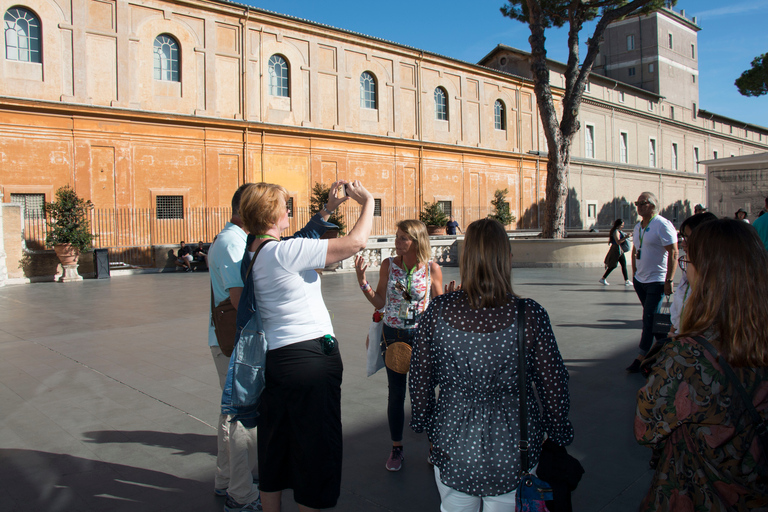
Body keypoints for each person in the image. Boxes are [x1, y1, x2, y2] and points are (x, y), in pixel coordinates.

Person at [410, 218, 574, 511]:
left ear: (466, 259)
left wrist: (425, 424)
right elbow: (553, 384)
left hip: (453, 440)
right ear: (507, 259)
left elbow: (421, 379)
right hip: (514, 445)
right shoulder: (530, 315)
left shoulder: (438, 311)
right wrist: (558, 431)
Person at [238, 180, 374, 512]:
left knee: (277, 450)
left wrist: (327, 209)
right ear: (271, 213)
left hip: (279, 362)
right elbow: (356, 242)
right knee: (315, 455)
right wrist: (367, 202)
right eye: (285, 205)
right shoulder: (285, 253)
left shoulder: (255, 252)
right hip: (310, 362)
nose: (288, 210)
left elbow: (300, 239)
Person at [635, 218, 768, 511]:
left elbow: (646, 427)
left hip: (697, 492)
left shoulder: (688, 355)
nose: (687, 269)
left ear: (709, 273)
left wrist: (672, 350)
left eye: (688, 262)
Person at [354, 219, 443, 471]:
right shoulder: (389, 265)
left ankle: (434, 446)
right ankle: (396, 448)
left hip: (422, 339)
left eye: (403, 237)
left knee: (424, 394)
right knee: (395, 394)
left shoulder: (431, 269)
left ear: (416, 240)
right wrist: (362, 281)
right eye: (397, 236)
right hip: (393, 336)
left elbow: (438, 307)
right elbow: (380, 302)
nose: (397, 241)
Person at [208, 185, 261, 511]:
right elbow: (241, 301)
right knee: (242, 417)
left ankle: (225, 479)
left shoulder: (237, 240)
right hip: (237, 342)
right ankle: (241, 494)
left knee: (231, 413)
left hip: (235, 340)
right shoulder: (231, 243)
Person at [626, 192, 678, 373]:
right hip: (641, 280)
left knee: (648, 318)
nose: (639, 206)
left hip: (657, 281)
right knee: (654, 319)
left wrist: (669, 279)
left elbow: (674, 252)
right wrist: (634, 274)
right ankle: (665, 349)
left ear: (653, 204)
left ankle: (641, 357)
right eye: (637, 203)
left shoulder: (662, 225)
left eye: (643, 202)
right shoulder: (638, 226)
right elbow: (634, 250)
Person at [668, 212, 716, 334]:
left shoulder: (716, 279)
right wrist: (672, 335)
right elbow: (679, 313)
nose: (683, 243)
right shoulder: (688, 270)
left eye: (687, 238)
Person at [599, 219, 631, 286]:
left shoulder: (616, 231)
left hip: (618, 250)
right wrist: (626, 237)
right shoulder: (616, 231)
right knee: (615, 265)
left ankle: (626, 280)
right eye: (622, 225)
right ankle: (603, 278)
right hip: (616, 250)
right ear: (619, 225)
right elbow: (618, 242)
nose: (622, 226)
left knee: (622, 264)